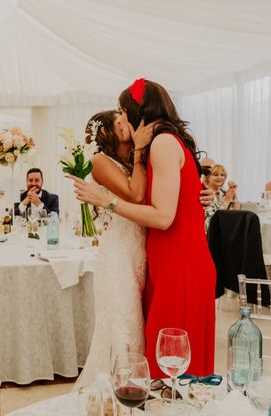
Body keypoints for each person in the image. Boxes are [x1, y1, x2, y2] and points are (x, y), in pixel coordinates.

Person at [72, 78, 216, 377]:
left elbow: (163, 216)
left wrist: (106, 201)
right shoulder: (160, 143)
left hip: (179, 264)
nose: (121, 118)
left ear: (139, 111)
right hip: (165, 261)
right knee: (165, 357)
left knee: (174, 365)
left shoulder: (162, 143)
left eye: (123, 111)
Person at [73, 110, 153, 389]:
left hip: (139, 250)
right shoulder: (99, 161)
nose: (125, 124)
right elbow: (135, 195)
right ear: (106, 131)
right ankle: (122, 389)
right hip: (118, 252)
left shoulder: (130, 159)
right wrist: (141, 149)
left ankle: (134, 384)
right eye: (118, 122)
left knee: (137, 319)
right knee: (123, 321)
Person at [203, 164, 241, 231]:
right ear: (208, 177)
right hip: (210, 231)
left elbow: (236, 212)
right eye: (216, 175)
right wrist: (226, 201)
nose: (220, 177)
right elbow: (212, 218)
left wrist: (233, 192)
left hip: (224, 229)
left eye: (222, 175)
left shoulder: (223, 191)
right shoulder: (205, 192)